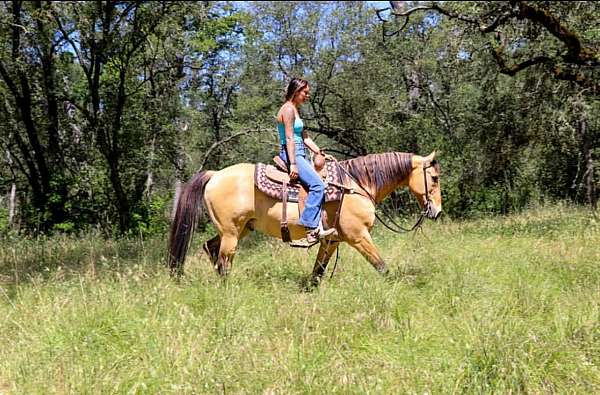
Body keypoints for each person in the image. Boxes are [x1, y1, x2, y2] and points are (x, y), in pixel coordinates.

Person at [276, 78, 337, 243]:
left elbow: (304, 137)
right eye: (305, 92)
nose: (307, 96)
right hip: (291, 153)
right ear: (296, 91)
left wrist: (319, 151)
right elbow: (289, 138)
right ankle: (311, 228)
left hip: (299, 152)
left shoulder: (295, 110)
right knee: (317, 185)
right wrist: (293, 163)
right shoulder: (288, 110)